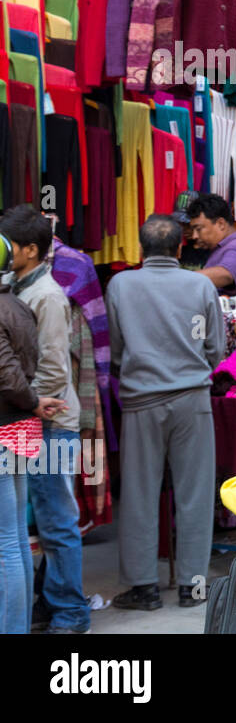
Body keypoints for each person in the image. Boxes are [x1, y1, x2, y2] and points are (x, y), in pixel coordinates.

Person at [107, 214, 226, 611]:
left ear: (141, 249)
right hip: (192, 399)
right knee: (195, 492)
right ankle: (194, 584)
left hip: (142, 400)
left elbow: (118, 348)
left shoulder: (121, 285)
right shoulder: (199, 285)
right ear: (180, 247)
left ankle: (144, 587)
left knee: (140, 494)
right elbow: (216, 349)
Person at [0, 206, 89, 634]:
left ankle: (71, 614)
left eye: (8, 244)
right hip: (35, 416)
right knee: (33, 526)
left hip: (50, 422)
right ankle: (49, 604)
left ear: (30, 250)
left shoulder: (47, 296)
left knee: (56, 522)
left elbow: (55, 367)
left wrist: (32, 401)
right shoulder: (20, 287)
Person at [0, 233, 64, 634]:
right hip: (20, 426)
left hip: (6, 424)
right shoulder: (17, 304)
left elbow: (6, 374)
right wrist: (34, 402)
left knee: (7, 543)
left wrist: (31, 399)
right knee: (16, 540)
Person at [185, 193, 236, 297]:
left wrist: (180, 280)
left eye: (199, 229)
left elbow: (226, 274)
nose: (194, 236)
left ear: (220, 224)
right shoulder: (224, 247)